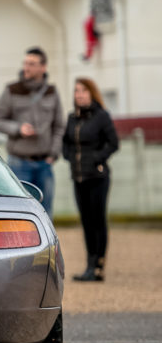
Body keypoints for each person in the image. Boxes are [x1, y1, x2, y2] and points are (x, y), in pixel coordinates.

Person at [0, 47, 65, 215]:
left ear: (43, 67)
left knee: (45, 213)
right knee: (20, 212)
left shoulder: (51, 92)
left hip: (45, 164)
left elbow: (59, 126)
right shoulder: (12, 90)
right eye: (25, 63)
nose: (26, 67)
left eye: (32, 64)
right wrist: (18, 129)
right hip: (19, 163)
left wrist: (53, 154)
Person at [62, 77, 119, 282]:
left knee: (97, 221)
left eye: (83, 90)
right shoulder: (72, 117)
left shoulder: (102, 116)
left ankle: (99, 266)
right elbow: (66, 142)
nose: (79, 94)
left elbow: (113, 143)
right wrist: (69, 156)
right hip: (79, 177)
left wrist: (96, 158)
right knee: (86, 222)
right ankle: (89, 265)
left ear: (91, 93)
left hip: (97, 177)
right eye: (77, 91)